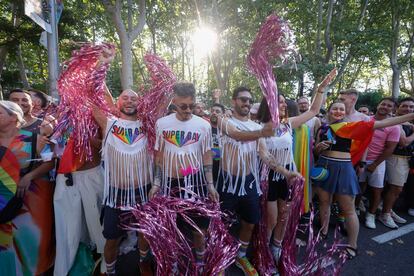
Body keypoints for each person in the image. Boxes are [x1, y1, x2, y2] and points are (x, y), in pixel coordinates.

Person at [313, 100, 414, 259]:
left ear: (345, 112)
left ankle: (352, 245)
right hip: (324, 169)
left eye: (341, 109)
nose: (338, 111)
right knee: (324, 203)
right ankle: (323, 231)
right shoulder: (322, 128)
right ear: (329, 111)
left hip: (343, 170)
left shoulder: (351, 127)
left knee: (348, 209)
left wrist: (410, 116)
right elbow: (317, 150)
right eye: (335, 109)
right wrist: (318, 149)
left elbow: (383, 123)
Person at [216, 86, 300, 275]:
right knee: (222, 223)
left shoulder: (256, 127)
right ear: (233, 101)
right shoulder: (224, 121)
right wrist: (263, 132)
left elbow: (265, 155)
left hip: (249, 184)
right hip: (227, 184)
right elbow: (236, 135)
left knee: (250, 222)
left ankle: (241, 256)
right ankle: (220, 257)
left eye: (249, 100)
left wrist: (285, 172)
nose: (246, 103)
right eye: (242, 99)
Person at [257, 68, 336, 266]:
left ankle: (276, 247)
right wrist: (284, 171)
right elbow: (264, 156)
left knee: (284, 216)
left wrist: (321, 89)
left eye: (284, 101)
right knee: (272, 219)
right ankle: (263, 252)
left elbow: (313, 111)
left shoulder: (287, 124)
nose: (283, 104)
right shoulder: (259, 127)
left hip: (287, 177)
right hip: (269, 178)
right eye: (279, 101)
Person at [148, 82, 219, 272]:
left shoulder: (203, 125)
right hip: (170, 184)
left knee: (199, 228)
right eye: (183, 106)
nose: (188, 110)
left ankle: (201, 262)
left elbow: (206, 156)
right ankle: (173, 264)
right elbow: (159, 156)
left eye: (191, 105)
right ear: (174, 103)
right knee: (172, 228)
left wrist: (210, 185)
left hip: (195, 183)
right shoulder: (162, 124)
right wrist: (156, 182)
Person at [92, 89, 153, 276]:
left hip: (143, 192)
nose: (129, 101)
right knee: (112, 239)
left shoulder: (148, 125)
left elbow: (163, 101)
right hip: (116, 194)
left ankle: (143, 262)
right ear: (117, 103)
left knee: (144, 233)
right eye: (124, 98)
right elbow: (95, 101)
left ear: (140, 103)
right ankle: (109, 271)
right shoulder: (109, 124)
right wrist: (102, 62)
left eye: (134, 98)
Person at [0, 100, 55, 275]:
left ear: (13, 117)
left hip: (30, 199)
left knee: (29, 244)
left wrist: (29, 176)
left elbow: (50, 162)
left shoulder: (33, 138)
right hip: (1, 200)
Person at [358, 98, 400, 229]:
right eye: (383, 104)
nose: (385, 107)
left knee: (377, 191)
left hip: (377, 162)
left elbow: (390, 149)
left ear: (393, 110)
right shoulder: (366, 119)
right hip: (360, 160)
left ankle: (371, 215)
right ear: (378, 105)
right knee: (358, 187)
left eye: (389, 106)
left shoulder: (394, 126)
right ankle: (356, 209)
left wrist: (375, 164)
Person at [384, 97, 414, 222]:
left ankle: (388, 210)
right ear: (398, 107)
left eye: (411, 107)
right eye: (405, 106)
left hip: (406, 159)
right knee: (396, 188)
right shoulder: (394, 121)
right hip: (396, 157)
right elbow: (403, 142)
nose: (408, 109)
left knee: (394, 188)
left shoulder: (409, 123)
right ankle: (385, 214)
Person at [210, 103, 226, 182]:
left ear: (223, 114)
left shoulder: (227, 130)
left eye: (217, 111)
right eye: (212, 111)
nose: (214, 113)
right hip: (208, 171)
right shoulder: (205, 128)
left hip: (223, 173)